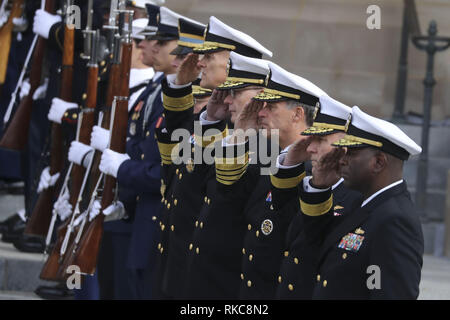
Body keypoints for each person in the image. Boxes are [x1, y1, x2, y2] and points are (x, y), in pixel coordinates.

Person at [291, 106, 424, 299]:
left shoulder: (395, 220)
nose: (341, 159)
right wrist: (319, 186)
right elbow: (313, 240)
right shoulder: (362, 205)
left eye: (351, 153)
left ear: (378, 163)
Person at [270, 95, 362, 299]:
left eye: (321, 140)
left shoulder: (356, 198)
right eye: (311, 139)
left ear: (345, 145)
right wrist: (290, 164)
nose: (310, 148)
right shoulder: (309, 184)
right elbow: (282, 223)